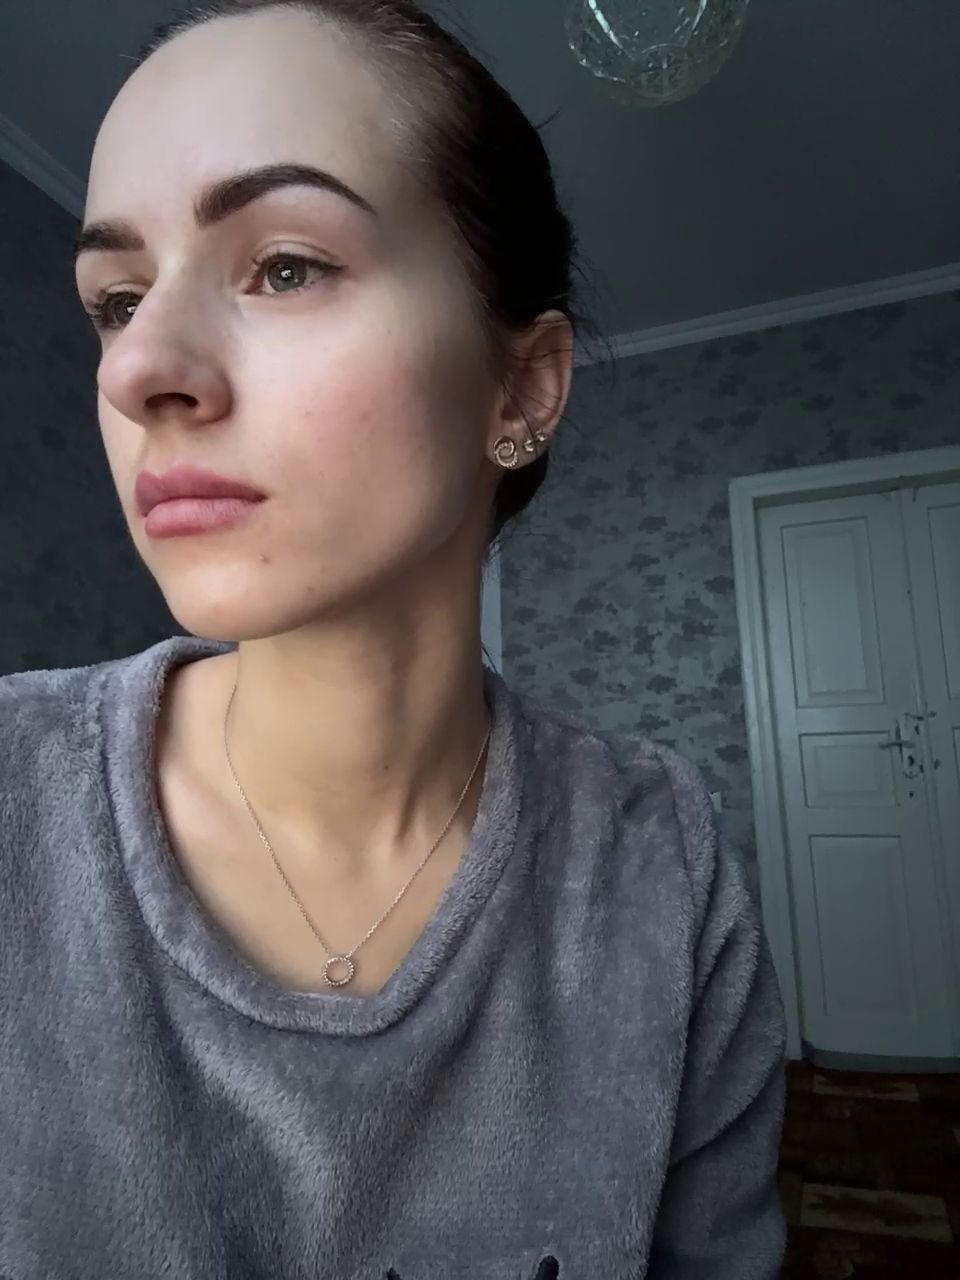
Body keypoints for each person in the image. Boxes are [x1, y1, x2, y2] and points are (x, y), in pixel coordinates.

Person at [0, 2, 788, 1277]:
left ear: (522, 387)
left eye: (285, 266)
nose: (137, 368)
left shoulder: (661, 867)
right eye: (119, 298)